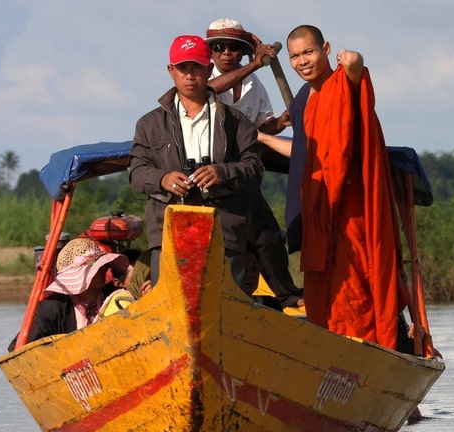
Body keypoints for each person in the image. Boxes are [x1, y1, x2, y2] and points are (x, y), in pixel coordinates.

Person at [284, 24, 403, 349]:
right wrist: (265, 138)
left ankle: (367, 359)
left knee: (356, 292)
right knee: (326, 296)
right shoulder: (309, 103)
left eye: (308, 51)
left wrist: (352, 59)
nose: (301, 61)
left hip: (351, 214)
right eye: (295, 56)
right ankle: (333, 358)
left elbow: (356, 69)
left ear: (326, 48)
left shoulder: (341, 84)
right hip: (321, 217)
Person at [129, 34, 263, 290]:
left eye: (197, 67)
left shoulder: (236, 121)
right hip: (169, 234)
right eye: (182, 68)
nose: (189, 75)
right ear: (171, 71)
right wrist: (163, 179)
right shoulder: (149, 124)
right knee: (170, 310)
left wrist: (221, 173)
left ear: (209, 69)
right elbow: (136, 174)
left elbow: (255, 169)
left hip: (224, 234)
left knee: (223, 310)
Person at [204, 18, 303, 308]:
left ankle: (287, 295)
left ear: (242, 51)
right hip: (213, 178)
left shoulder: (253, 83)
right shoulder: (202, 77)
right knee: (224, 244)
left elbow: (261, 128)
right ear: (210, 52)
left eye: (233, 48)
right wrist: (255, 63)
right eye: (219, 47)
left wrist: (282, 122)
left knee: (269, 237)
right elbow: (207, 93)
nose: (225, 53)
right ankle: (221, 299)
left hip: (244, 174)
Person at [8, 238, 130, 351]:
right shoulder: (51, 309)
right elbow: (17, 350)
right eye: (98, 267)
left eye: (103, 266)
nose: (104, 269)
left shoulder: (115, 295)